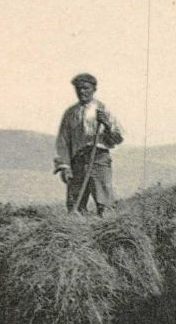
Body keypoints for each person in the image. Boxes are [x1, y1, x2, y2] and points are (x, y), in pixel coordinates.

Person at [53, 72, 124, 216]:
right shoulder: (70, 113)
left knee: (105, 202)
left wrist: (108, 124)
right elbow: (63, 142)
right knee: (75, 205)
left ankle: (107, 229)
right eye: (78, 88)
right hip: (77, 162)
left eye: (85, 88)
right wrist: (64, 167)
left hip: (98, 159)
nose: (81, 91)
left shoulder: (103, 110)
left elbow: (118, 137)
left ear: (94, 89)